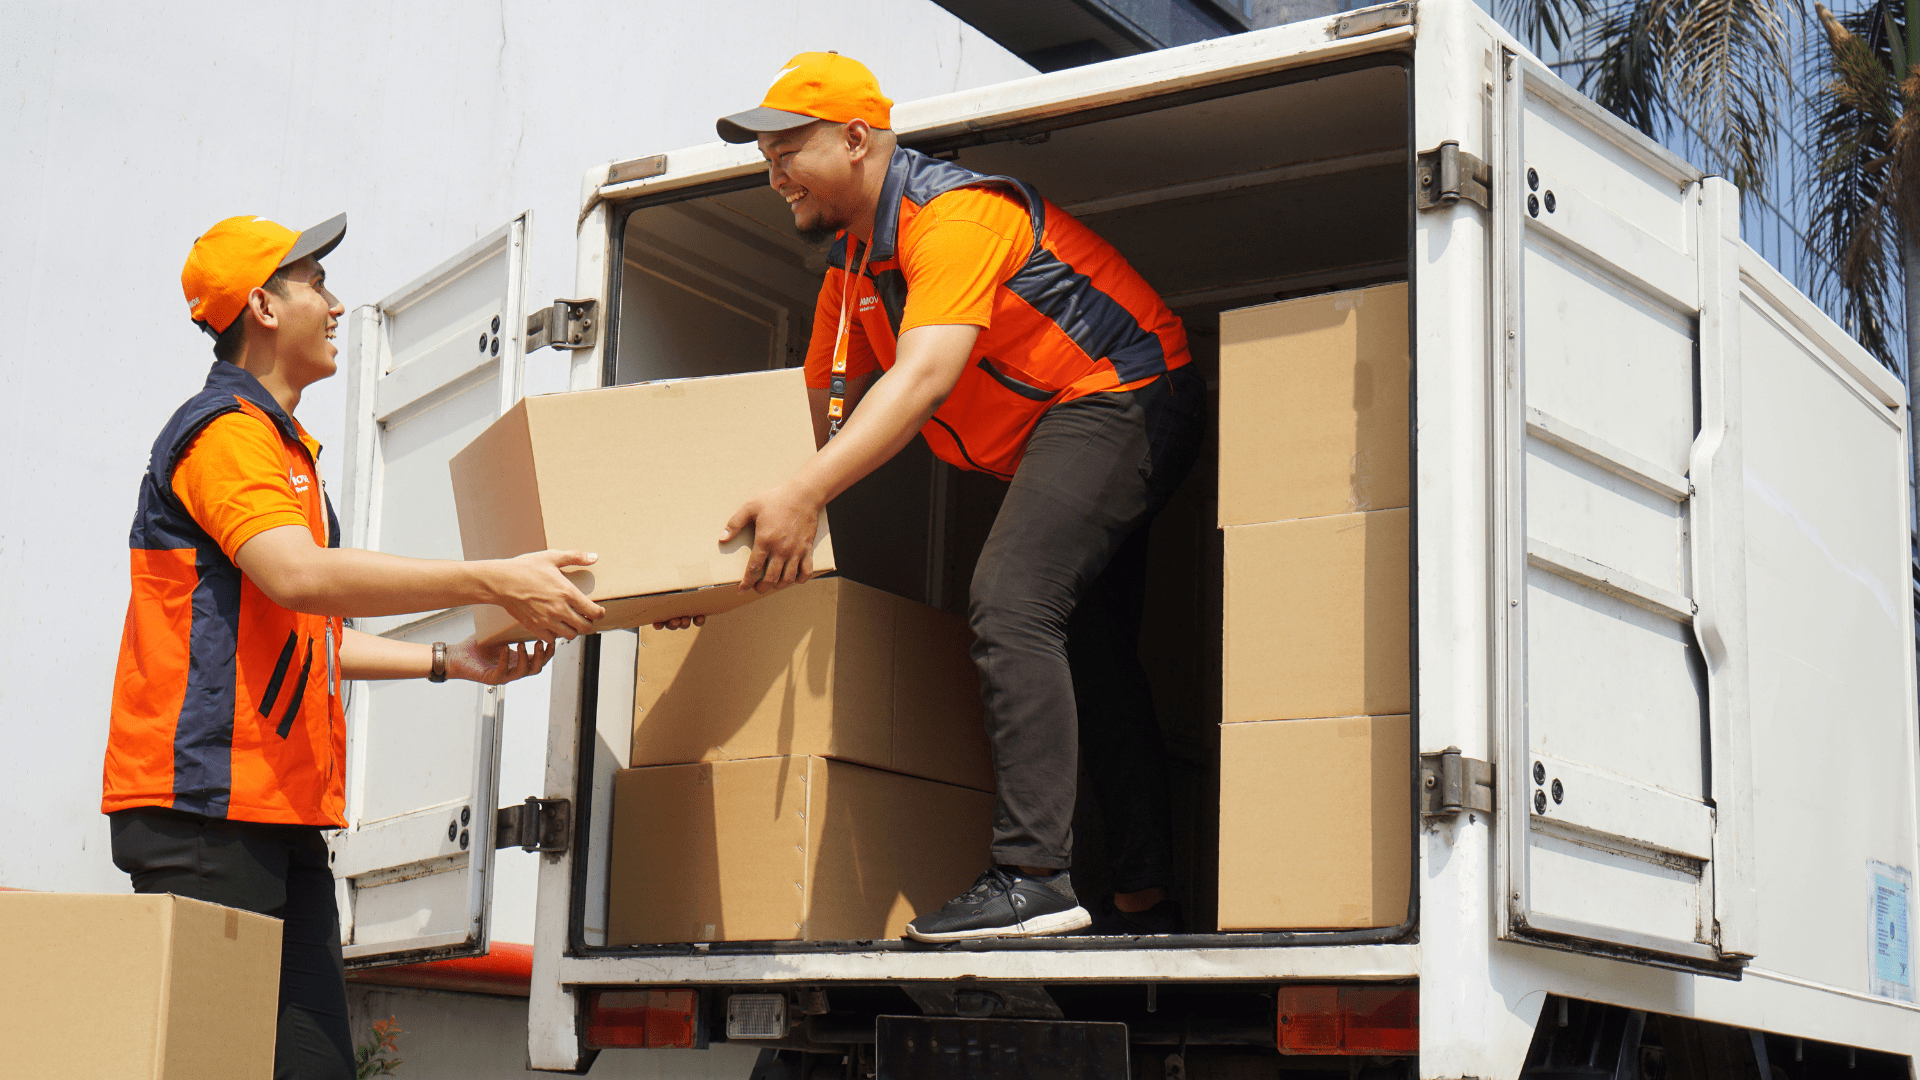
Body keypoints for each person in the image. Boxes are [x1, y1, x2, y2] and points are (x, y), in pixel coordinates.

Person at [715, 54, 1207, 942]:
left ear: (859, 140)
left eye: (789, 147)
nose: (774, 171)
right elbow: (811, 408)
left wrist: (807, 493)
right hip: (1056, 432)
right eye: (765, 155)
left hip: (1125, 392)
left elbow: (920, 381)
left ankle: (1033, 879)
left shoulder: (958, 217)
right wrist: (704, 565)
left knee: (1012, 600)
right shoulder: (853, 270)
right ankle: (1145, 897)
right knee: (1085, 650)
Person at [103, 213, 607, 1079]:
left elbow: (307, 638)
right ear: (262, 304)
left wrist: (454, 661)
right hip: (205, 818)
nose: (336, 306)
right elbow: (300, 578)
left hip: (276, 817)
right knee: (209, 1063)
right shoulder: (223, 433)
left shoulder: (282, 447)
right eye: (315, 285)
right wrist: (491, 580)